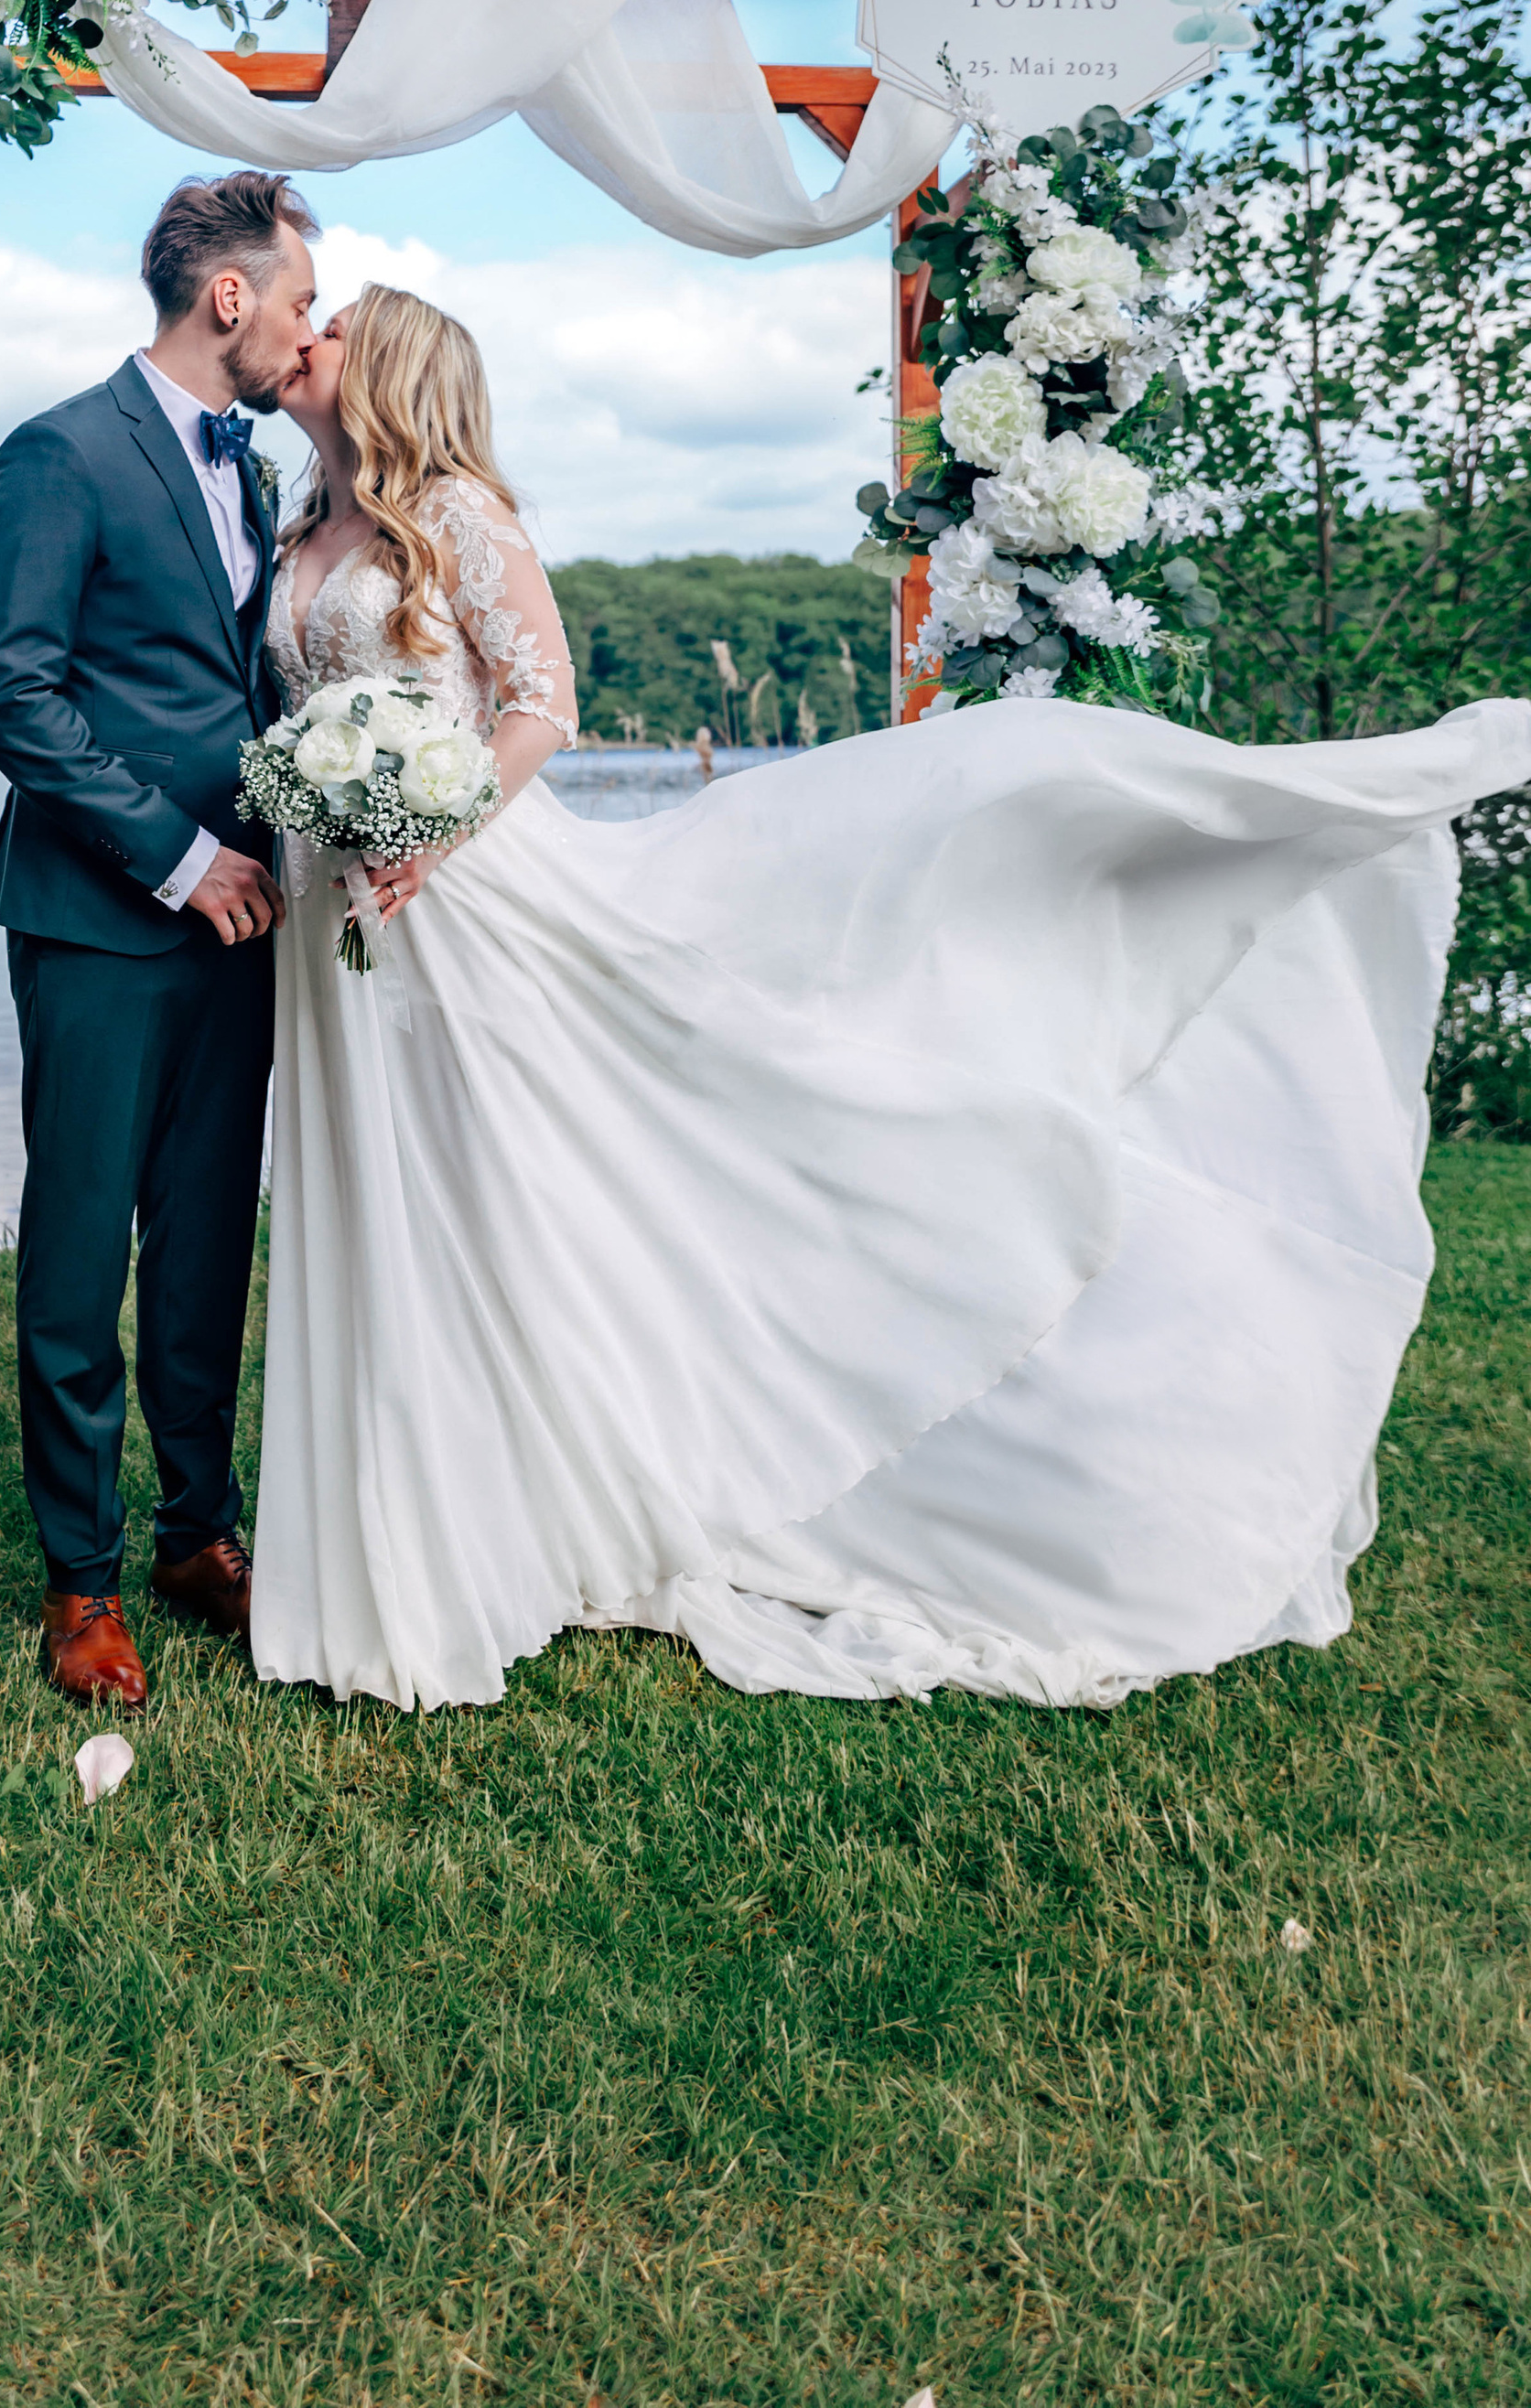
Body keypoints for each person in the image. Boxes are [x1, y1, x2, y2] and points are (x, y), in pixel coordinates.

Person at [251, 280, 1531, 1713]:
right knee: (391, 1201)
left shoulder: (464, 519)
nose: (315, 332)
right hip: (342, 921)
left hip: (469, 899)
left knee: (514, 1194)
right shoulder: (300, 529)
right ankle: (415, 1519)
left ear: (399, 369)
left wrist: (440, 819)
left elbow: (542, 704)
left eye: (340, 322)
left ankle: (536, 1502)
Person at [0, 169, 317, 1709]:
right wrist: (179, 859)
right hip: (105, 916)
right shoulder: (59, 452)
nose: (308, 328)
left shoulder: (249, 471)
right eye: (299, 298)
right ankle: (82, 1577)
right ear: (225, 295)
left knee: (204, 1242)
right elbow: (12, 693)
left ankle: (198, 1535)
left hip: (247, 920)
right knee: (79, 1248)